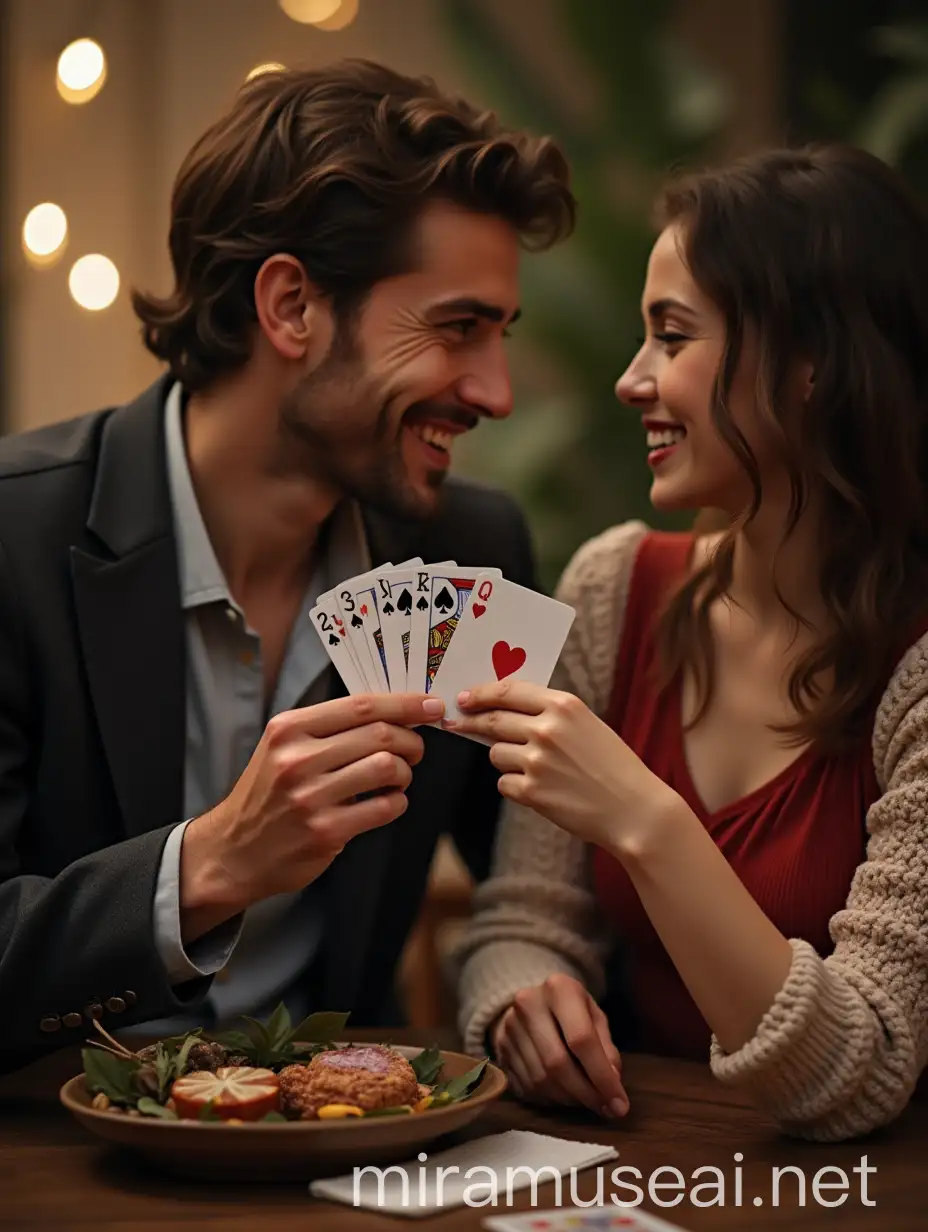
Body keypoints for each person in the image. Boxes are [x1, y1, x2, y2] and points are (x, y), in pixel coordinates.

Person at [0, 59, 575, 1072]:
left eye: (501, 335)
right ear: (291, 306)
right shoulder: (14, 539)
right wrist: (208, 865)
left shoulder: (473, 556)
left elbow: (534, 891)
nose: (494, 390)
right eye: (457, 328)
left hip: (347, 1154)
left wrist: (525, 976)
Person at [452, 144, 928, 1143]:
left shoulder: (915, 669)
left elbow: (862, 1063)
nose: (632, 381)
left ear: (809, 366)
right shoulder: (613, 585)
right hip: (635, 1170)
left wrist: (644, 816)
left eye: (672, 336)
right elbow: (520, 918)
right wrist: (523, 999)